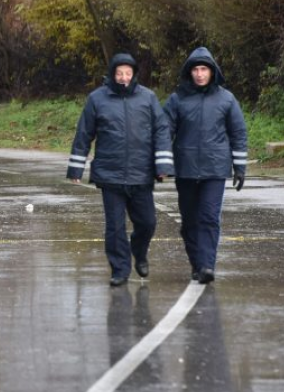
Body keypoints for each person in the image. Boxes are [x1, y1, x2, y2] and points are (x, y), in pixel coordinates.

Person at [67, 53, 173, 287]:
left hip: (141, 174)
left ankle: (139, 250)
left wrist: (163, 166)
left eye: (128, 73)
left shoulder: (148, 98)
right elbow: (84, 133)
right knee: (114, 227)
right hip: (110, 174)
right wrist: (76, 168)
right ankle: (120, 270)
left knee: (147, 223)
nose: (124, 77)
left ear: (134, 74)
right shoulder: (97, 99)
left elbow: (161, 131)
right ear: (112, 74)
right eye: (119, 73)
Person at [163, 47, 247, 284]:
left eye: (204, 69)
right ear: (190, 73)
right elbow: (164, 131)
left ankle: (207, 265)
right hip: (186, 169)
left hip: (215, 169)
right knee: (189, 220)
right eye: (196, 70)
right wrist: (161, 163)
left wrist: (240, 167)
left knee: (209, 217)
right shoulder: (177, 99)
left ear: (212, 72)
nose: (200, 74)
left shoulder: (227, 99)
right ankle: (196, 263)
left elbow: (238, 133)